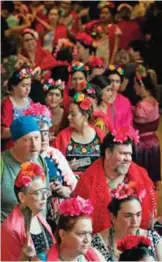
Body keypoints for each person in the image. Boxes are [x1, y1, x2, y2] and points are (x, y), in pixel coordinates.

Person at [73, 126, 157, 233]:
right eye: (123, 153)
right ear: (108, 153)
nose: (128, 159)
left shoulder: (140, 174)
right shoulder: (88, 181)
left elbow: (150, 214)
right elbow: (79, 223)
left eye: (129, 154)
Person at [24, 102, 78, 230]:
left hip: (61, 217)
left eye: (45, 132)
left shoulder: (55, 154)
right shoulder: (25, 158)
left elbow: (74, 186)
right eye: (38, 134)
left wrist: (66, 191)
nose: (43, 138)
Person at [92, 182, 162, 261]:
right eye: (128, 215)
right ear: (113, 217)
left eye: (138, 214)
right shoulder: (98, 242)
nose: (134, 221)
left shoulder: (153, 238)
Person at [1, 162, 55, 261]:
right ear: (22, 197)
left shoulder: (37, 215)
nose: (44, 197)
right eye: (37, 193)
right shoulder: (11, 229)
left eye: (45, 191)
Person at [1, 116, 48, 222]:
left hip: (37, 229)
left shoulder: (40, 161)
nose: (34, 144)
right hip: (8, 232)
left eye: (36, 138)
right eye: (26, 139)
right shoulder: (2, 164)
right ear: (15, 142)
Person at [54, 92, 105, 175]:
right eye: (69, 113)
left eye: (73, 114)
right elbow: (53, 162)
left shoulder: (100, 135)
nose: (69, 117)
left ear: (85, 116)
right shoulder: (62, 136)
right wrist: (65, 167)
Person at [47, 196, 105, 261]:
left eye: (89, 233)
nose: (87, 240)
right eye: (81, 234)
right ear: (62, 234)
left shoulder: (97, 257)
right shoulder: (42, 259)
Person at [133, 65, 161, 182]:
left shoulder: (141, 106)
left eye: (135, 84)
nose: (134, 87)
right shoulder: (154, 102)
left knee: (141, 179)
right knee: (151, 180)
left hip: (143, 146)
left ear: (142, 86)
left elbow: (136, 125)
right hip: (154, 143)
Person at [1, 67, 34, 151]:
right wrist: (24, 127)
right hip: (12, 147)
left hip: (28, 145)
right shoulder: (7, 104)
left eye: (29, 85)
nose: (28, 89)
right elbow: (3, 132)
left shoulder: (30, 101)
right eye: (23, 85)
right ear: (14, 86)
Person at [121, 40, 146, 105]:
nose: (128, 52)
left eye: (130, 49)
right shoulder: (145, 64)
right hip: (142, 99)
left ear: (137, 52)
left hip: (129, 100)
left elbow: (122, 88)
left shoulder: (130, 66)